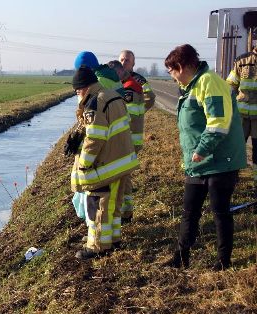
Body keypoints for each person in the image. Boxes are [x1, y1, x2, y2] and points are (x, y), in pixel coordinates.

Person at [164, 44, 246, 269]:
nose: (172, 78)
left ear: (180, 67)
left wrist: (201, 150)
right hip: (199, 162)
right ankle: (181, 256)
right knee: (189, 210)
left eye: (171, 72)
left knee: (220, 211)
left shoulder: (209, 82)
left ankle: (223, 260)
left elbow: (218, 123)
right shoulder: (193, 85)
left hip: (220, 161)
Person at [70, 66, 139, 259]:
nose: (77, 95)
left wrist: (84, 163)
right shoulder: (113, 95)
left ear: (84, 87)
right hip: (122, 161)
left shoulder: (94, 103)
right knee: (113, 206)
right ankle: (113, 240)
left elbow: (95, 138)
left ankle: (97, 246)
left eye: (77, 91)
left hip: (106, 166)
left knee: (97, 206)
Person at [108, 60, 146, 222]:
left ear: (117, 72)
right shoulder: (132, 84)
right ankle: (125, 211)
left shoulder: (128, 87)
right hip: (132, 138)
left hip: (128, 139)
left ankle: (125, 213)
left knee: (123, 176)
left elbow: (124, 116)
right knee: (125, 176)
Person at [226, 44, 257, 186]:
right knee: (236, 147)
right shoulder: (242, 60)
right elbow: (230, 85)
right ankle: (232, 177)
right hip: (241, 115)